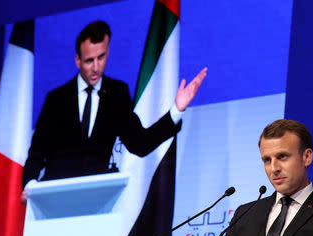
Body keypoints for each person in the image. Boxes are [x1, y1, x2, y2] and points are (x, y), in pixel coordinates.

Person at [21, 21, 206, 202]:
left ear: (108, 51)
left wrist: (176, 110)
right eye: (89, 60)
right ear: (77, 60)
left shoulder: (117, 93)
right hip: (56, 199)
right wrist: (30, 186)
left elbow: (140, 144)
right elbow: (37, 153)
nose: (95, 67)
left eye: (101, 57)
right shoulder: (56, 99)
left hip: (99, 200)